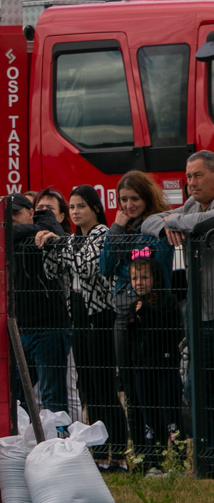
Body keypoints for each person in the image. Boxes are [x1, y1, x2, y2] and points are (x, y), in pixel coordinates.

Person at [37, 185, 127, 468]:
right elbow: (53, 270)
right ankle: (99, 454)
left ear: (95, 208)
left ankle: (120, 453)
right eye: (72, 207)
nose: (75, 212)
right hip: (77, 318)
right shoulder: (72, 239)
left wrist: (58, 244)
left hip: (100, 318)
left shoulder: (101, 235)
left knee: (104, 389)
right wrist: (51, 246)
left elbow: (89, 267)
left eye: (81, 207)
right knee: (87, 388)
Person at [142, 149, 214, 460]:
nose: (190, 183)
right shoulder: (190, 206)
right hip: (197, 315)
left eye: (198, 175)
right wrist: (169, 224)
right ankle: (207, 456)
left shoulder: (197, 212)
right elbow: (148, 222)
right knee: (194, 389)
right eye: (188, 177)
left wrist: (177, 221)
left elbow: (203, 222)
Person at [99, 170, 173, 457]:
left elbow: (150, 260)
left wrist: (123, 247)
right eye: (123, 200)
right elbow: (105, 267)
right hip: (123, 314)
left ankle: (161, 450)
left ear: (147, 198)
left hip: (154, 315)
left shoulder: (158, 226)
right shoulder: (121, 229)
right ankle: (141, 450)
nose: (128, 205)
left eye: (135, 199)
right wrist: (116, 233)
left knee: (155, 387)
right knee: (129, 388)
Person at [9, 193, 70, 414]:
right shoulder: (38, 228)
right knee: (16, 398)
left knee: (52, 398)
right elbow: (6, 232)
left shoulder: (48, 223)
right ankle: (27, 444)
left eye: (16, 213)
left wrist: (38, 231)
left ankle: (60, 444)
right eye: (8, 215)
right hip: (22, 328)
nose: (12, 219)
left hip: (49, 327)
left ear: (30, 212)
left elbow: (56, 230)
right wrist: (35, 230)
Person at [126, 253, 184, 473]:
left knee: (172, 414)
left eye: (144, 277)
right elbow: (132, 336)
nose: (139, 283)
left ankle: (179, 462)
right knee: (148, 415)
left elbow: (172, 330)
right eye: (134, 278)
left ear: (155, 279)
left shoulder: (167, 301)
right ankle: (153, 462)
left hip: (166, 367)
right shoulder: (134, 305)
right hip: (142, 368)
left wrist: (146, 311)